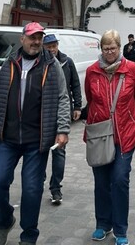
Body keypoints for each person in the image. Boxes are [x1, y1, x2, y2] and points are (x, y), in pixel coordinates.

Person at [0, 22, 71, 245]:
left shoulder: (51, 65)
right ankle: (5, 221)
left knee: (32, 189)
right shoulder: (9, 63)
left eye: (39, 37)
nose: (36, 42)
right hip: (8, 137)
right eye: (32, 37)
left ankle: (29, 236)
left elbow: (63, 98)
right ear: (22, 39)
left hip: (37, 140)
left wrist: (62, 129)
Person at [85, 30, 135, 244]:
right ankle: (103, 224)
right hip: (100, 134)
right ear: (101, 49)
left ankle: (120, 230)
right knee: (101, 182)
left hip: (125, 133)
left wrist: (125, 114)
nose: (109, 52)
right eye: (106, 48)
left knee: (119, 179)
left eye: (113, 48)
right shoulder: (92, 71)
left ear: (120, 48)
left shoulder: (131, 69)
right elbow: (90, 98)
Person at [42, 33, 82, 204]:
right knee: (40, 150)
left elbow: (75, 84)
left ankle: (56, 188)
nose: (52, 49)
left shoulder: (67, 62)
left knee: (59, 151)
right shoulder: (40, 63)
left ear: (57, 45)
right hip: (43, 114)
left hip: (62, 112)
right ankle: (38, 181)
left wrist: (78, 106)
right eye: (48, 47)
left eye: (54, 46)